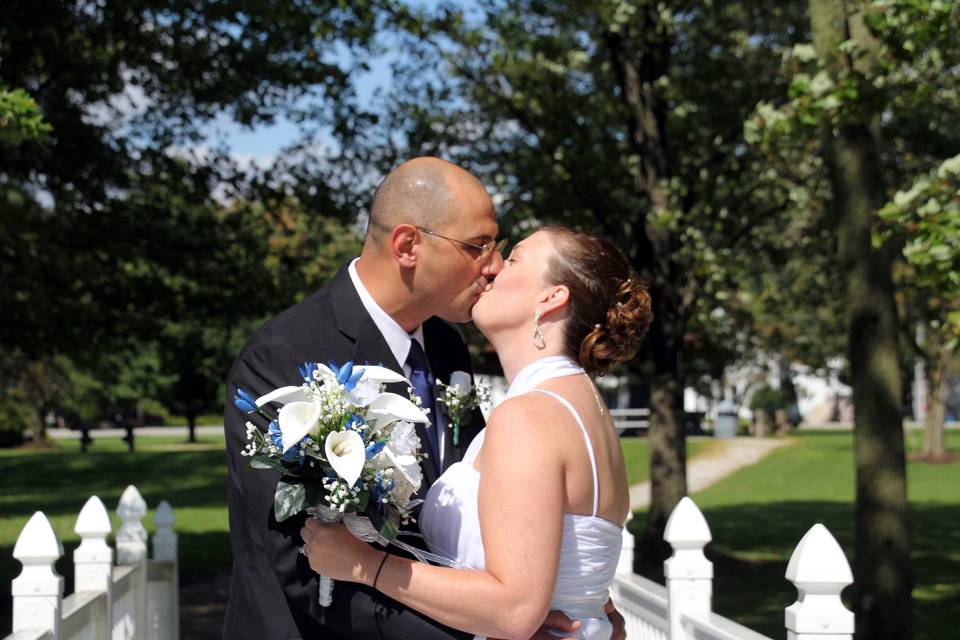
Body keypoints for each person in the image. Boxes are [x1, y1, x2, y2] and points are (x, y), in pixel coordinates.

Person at [223, 157, 625, 640]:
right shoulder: (284, 357)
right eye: (478, 246)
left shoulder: (447, 345)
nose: (493, 266)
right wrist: (483, 633)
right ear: (408, 246)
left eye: (499, 249)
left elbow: (494, 511)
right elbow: (304, 564)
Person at [301, 227, 652, 639]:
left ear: (551, 297)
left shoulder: (529, 416)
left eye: (515, 258)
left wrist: (361, 564)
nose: (494, 266)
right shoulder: (581, 405)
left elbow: (514, 609)